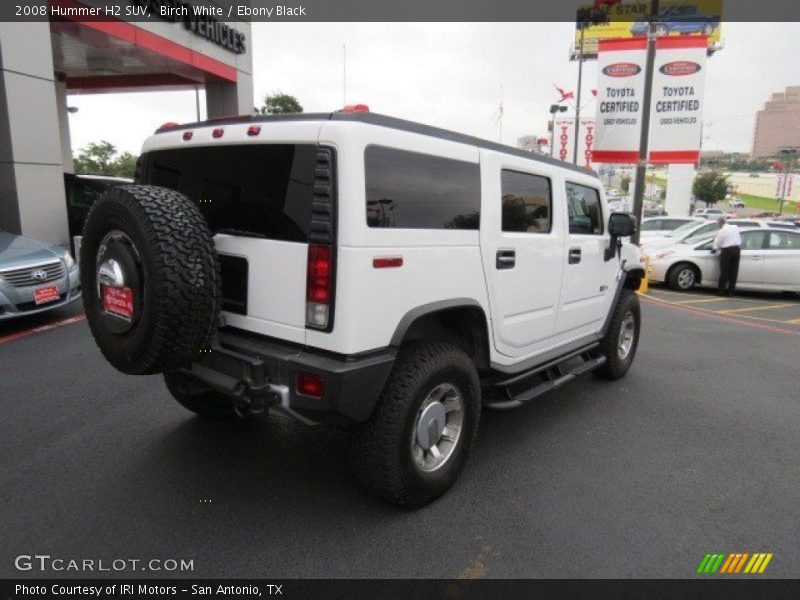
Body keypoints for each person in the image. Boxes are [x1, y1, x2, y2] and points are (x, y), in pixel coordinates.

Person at [712, 216, 742, 296]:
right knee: (733, 272)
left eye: (717, 223)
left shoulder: (722, 231)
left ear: (719, 223)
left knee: (724, 272)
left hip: (727, 251)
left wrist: (714, 246)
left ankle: (721, 291)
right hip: (737, 250)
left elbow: (718, 244)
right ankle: (731, 292)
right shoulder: (735, 227)